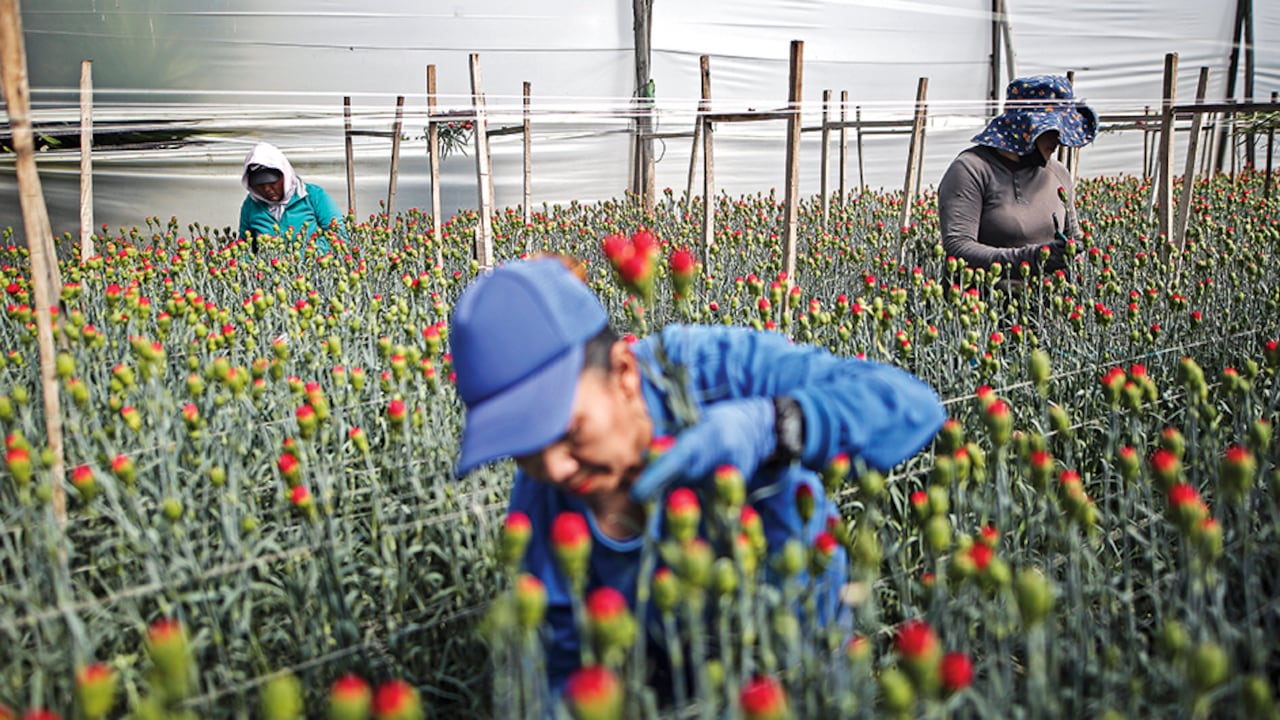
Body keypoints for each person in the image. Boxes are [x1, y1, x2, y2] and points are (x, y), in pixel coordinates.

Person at [450, 257, 946, 699]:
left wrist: (774, 425)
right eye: (525, 451)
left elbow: (911, 406)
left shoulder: (706, 370)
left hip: (803, 659)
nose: (555, 467)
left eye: (570, 430)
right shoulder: (542, 499)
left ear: (624, 371)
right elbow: (558, 666)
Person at [937, 75, 1097, 278]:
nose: (1059, 139)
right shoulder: (971, 169)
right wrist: (1032, 258)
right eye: (1052, 129)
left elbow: (1074, 240)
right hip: (984, 303)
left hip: (1046, 301)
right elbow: (958, 248)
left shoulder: (1058, 173)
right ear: (1024, 128)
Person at [237, 141, 344, 255]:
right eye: (259, 185)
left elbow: (340, 235)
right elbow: (244, 248)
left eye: (272, 182)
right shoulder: (251, 205)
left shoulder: (313, 196)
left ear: (285, 175)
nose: (267, 189)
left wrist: (300, 257)